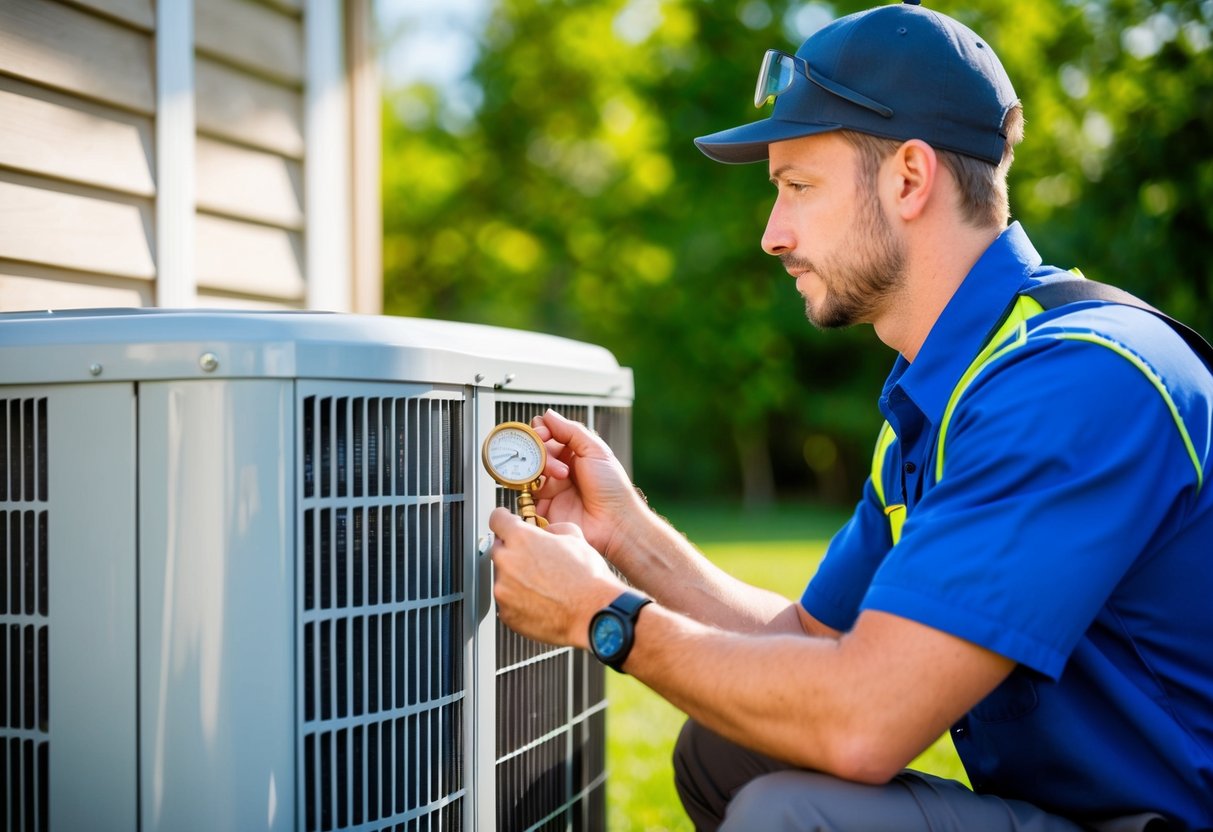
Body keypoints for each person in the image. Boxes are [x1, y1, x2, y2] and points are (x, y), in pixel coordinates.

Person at [487, 1, 1213, 829]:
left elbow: (863, 720)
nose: (771, 234)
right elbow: (810, 638)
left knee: (789, 814)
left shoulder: (1077, 381)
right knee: (726, 751)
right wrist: (625, 534)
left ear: (909, 177)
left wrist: (600, 616)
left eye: (796, 187)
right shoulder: (940, 396)